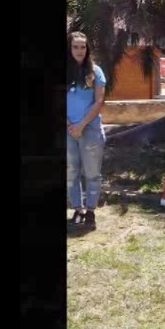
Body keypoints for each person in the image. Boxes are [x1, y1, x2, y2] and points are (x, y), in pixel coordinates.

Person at [66, 31, 106, 231]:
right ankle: (77, 209)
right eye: (75, 47)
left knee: (92, 172)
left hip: (89, 129)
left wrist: (81, 125)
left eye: (83, 47)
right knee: (71, 171)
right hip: (67, 130)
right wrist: (69, 125)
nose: (80, 50)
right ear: (69, 48)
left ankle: (90, 210)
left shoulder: (95, 71)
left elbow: (99, 101)